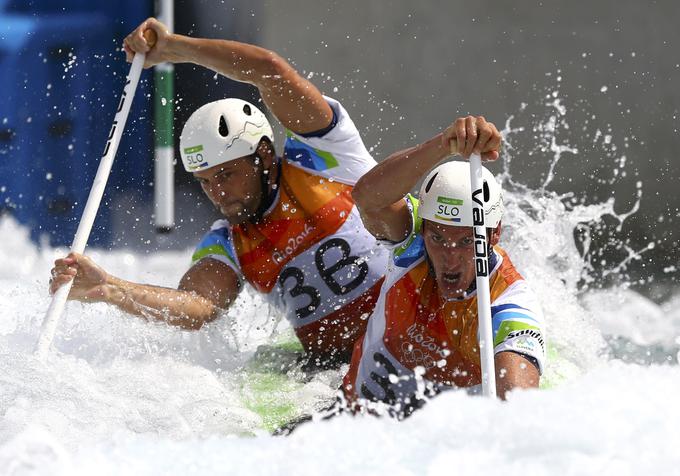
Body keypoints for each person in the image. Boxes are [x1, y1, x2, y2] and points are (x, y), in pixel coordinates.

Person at [49, 17, 388, 367]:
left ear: (264, 155)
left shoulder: (325, 156)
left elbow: (268, 69)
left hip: (417, 332)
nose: (218, 193)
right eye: (205, 181)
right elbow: (197, 306)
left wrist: (175, 48)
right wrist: (111, 289)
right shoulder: (229, 241)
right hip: (336, 365)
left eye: (227, 174)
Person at [341, 115, 546, 417]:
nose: (449, 258)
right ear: (423, 229)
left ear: (495, 235)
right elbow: (368, 198)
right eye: (438, 237)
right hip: (345, 425)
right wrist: (444, 144)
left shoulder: (508, 305)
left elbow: (520, 412)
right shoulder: (412, 246)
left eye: (465, 242)